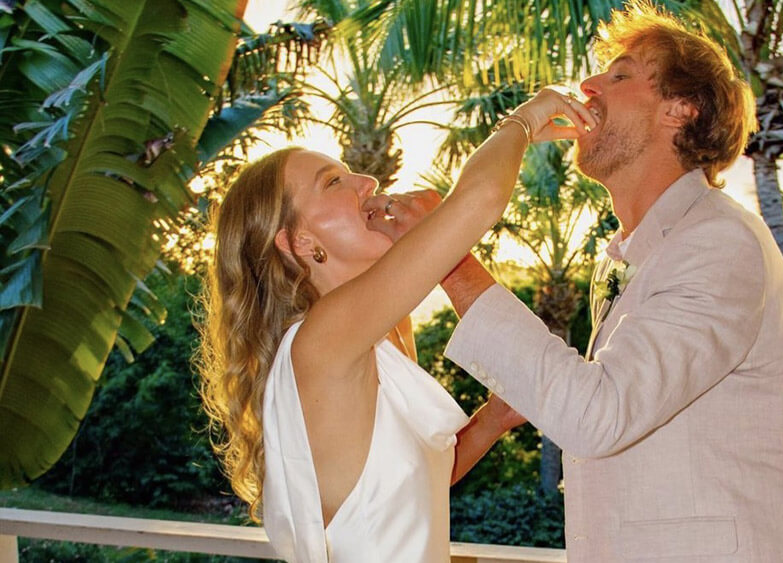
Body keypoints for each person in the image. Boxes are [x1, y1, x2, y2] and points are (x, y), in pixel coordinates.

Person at [432, 3, 783, 561]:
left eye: (619, 76)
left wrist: (446, 257)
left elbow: (600, 416)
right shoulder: (645, 250)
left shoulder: (719, 242)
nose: (589, 86)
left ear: (682, 109)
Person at [197, 88, 596, 561]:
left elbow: (405, 488)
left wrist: (491, 421)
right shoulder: (320, 340)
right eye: (334, 182)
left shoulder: (380, 336)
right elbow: (480, 200)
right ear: (300, 241)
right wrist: (523, 120)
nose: (367, 181)